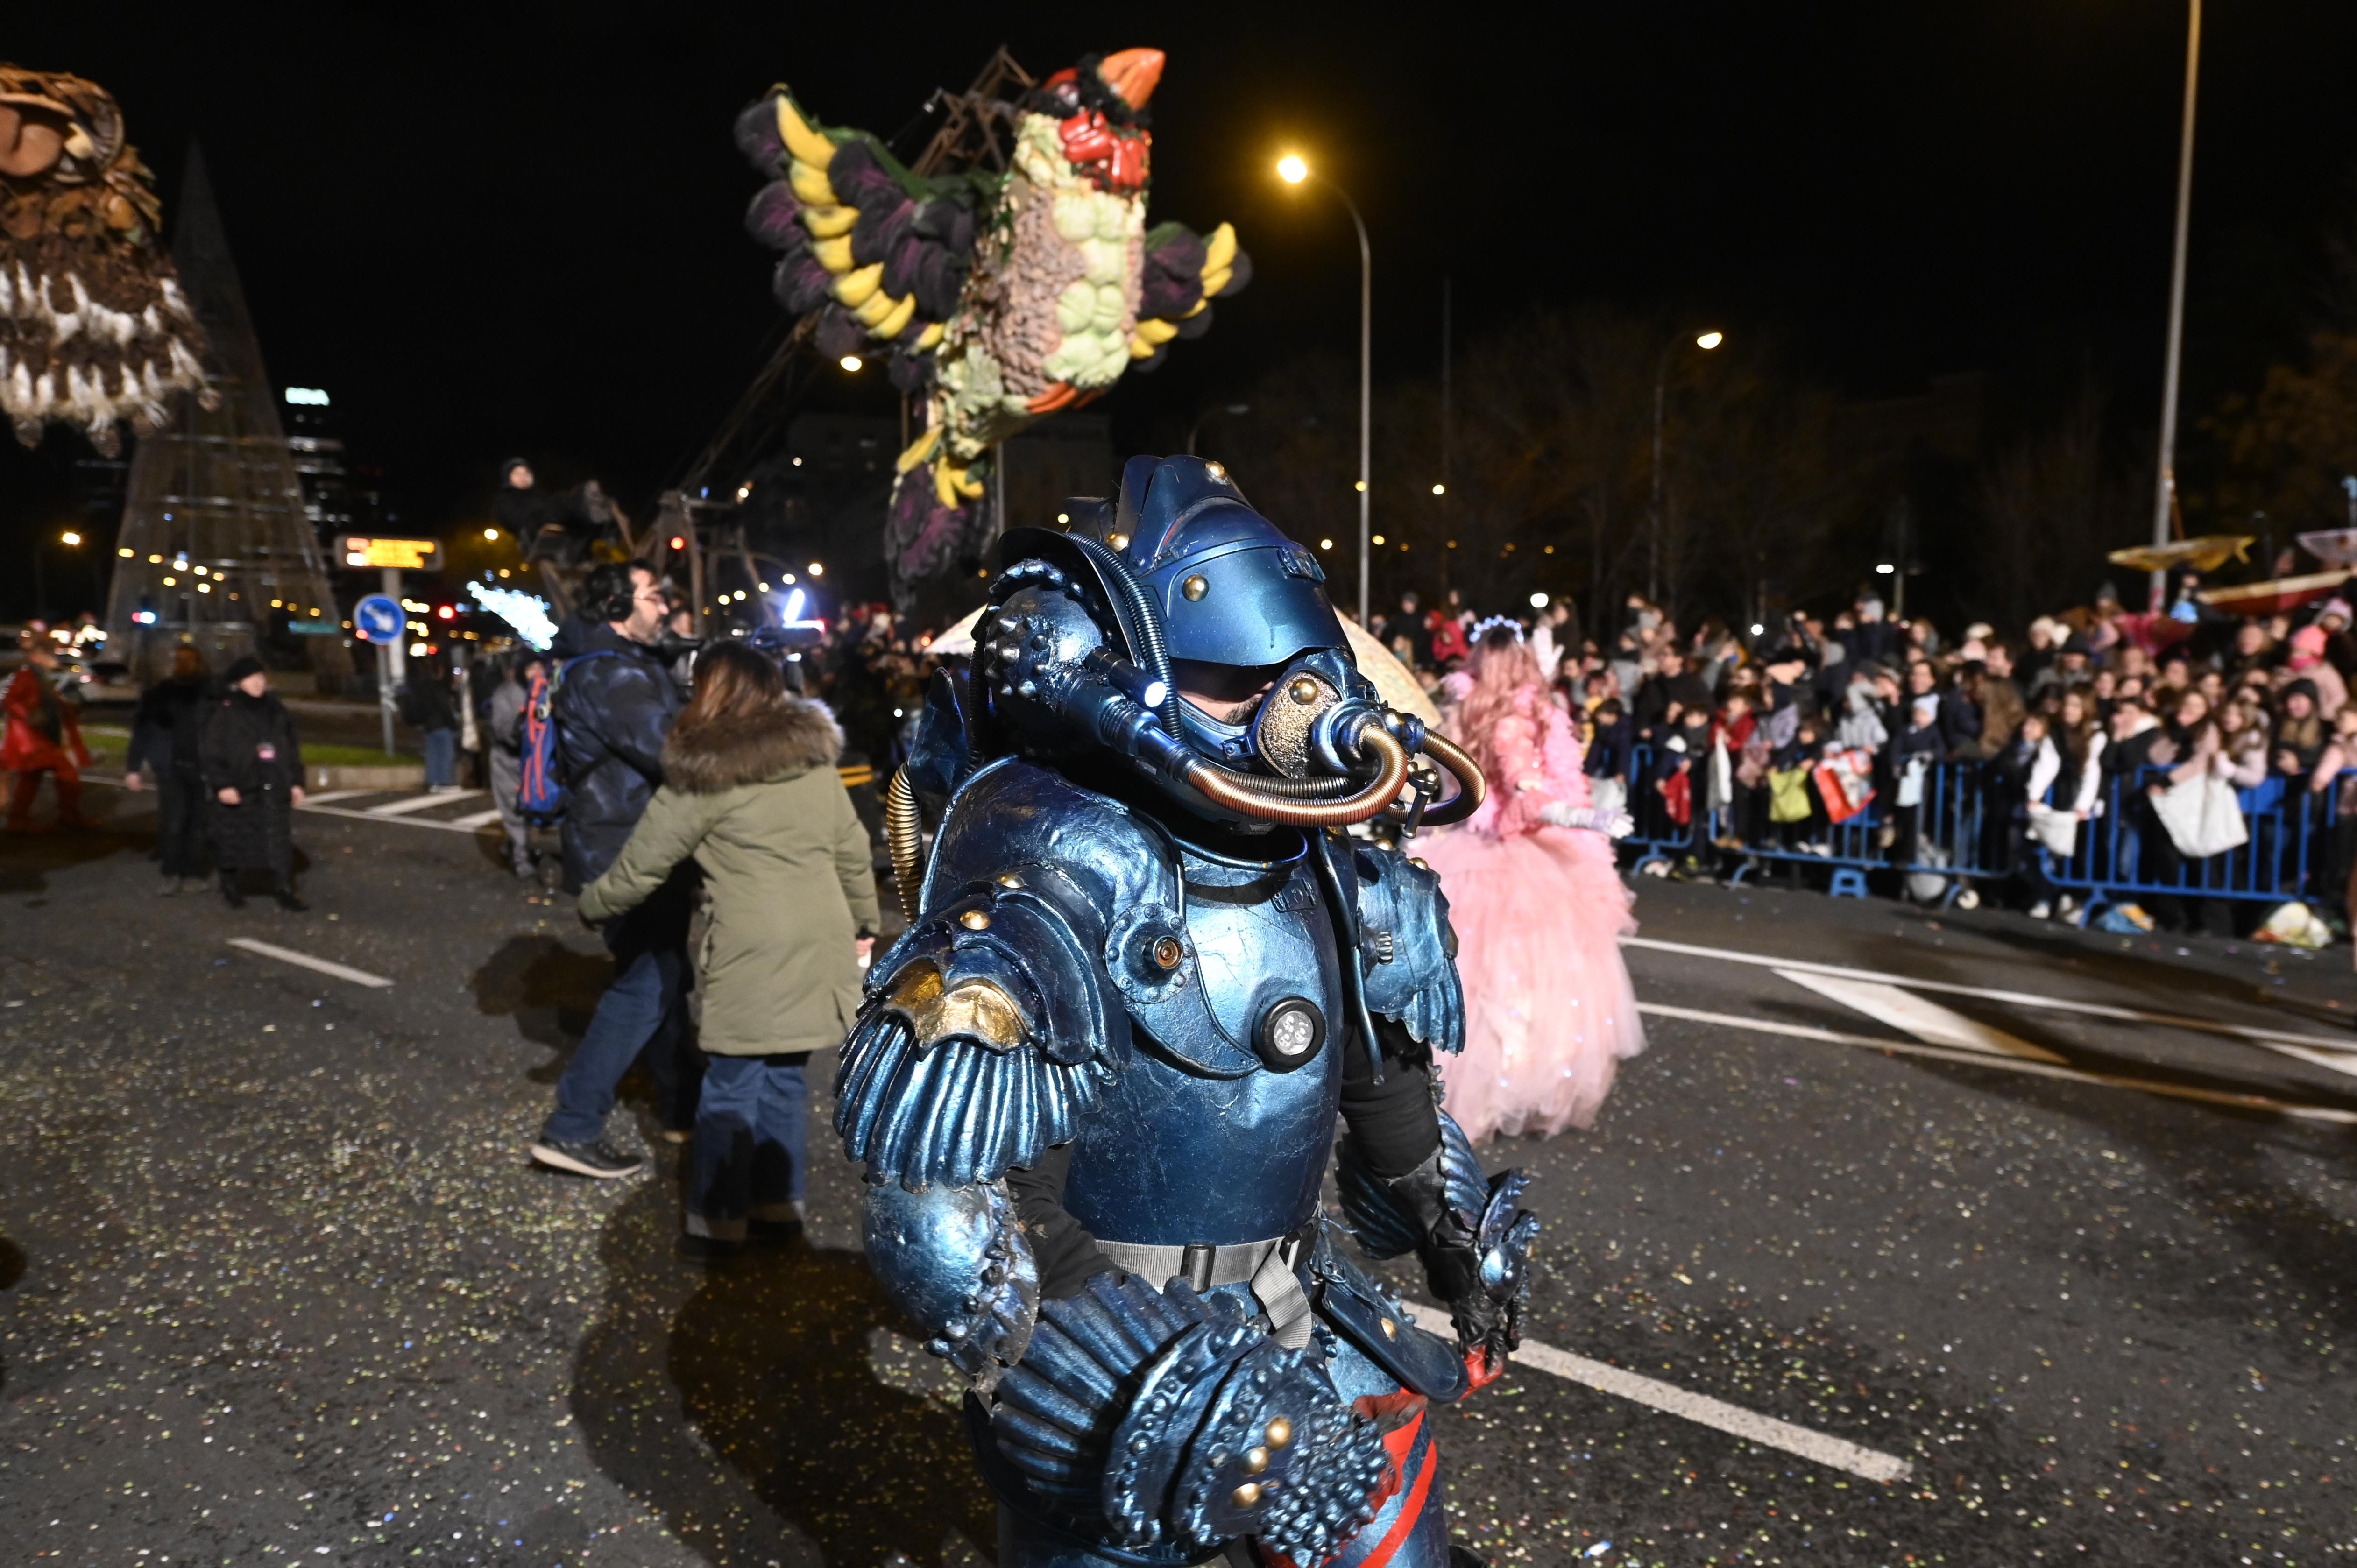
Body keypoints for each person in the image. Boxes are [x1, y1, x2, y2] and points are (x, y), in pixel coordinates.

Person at [835, 455, 1539, 1568]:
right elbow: (955, 1216)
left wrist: (1455, 1233)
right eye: (1234, 678)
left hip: (1294, 1317)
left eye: (1300, 673)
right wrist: (1182, 1393)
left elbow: (1381, 1087)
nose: (1287, 712)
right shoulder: (1047, 870)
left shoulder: (1332, 871)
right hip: (1112, 1372)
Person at [577, 643, 877, 1246]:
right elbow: (852, 850)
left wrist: (592, 905)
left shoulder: (703, 773)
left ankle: (717, 1224)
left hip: (753, 949)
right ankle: (778, 1210)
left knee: (729, 1088)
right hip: (820, 942)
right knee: (787, 1081)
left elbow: (641, 866)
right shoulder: (815, 762)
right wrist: (865, 923)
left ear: (707, 692)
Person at [1417, 621, 1644, 1141]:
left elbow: (1453, 789)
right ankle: (1504, 1089)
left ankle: (1481, 1083)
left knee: (1475, 977)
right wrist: (1591, 818)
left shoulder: (1471, 710)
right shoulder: (1511, 723)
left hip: (1472, 849)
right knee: (1519, 980)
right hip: (1512, 857)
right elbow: (1525, 795)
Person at [528, 561, 691, 1180]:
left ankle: (681, 1104)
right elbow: (672, 749)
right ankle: (571, 1126)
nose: (665, 606)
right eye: (654, 595)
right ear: (620, 606)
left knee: (667, 976)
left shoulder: (619, 665)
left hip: (636, 844)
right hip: (624, 851)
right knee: (648, 982)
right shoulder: (612, 673)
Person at [199, 657, 307, 909]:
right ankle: (231, 885)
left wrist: (296, 782)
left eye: (261, 678)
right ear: (240, 683)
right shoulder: (226, 711)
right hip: (241, 785)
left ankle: (285, 889)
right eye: (252, 679)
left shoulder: (276, 710)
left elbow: (291, 748)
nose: (259, 683)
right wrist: (222, 784)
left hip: (273, 784)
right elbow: (212, 751)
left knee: (278, 840)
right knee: (234, 838)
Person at [124, 644, 213, 891]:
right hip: (170, 768)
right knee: (173, 822)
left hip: (202, 768)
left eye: (190, 660)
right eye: (179, 660)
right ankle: (172, 872)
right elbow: (142, 731)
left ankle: (195, 872)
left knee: (198, 824)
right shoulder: (159, 695)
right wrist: (133, 767)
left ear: (199, 663)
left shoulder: (209, 694)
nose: (184, 665)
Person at [3, 637, 92, 832]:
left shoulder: (39, 676)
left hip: (40, 738)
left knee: (32, 778)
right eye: (51, 654)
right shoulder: (28, 676)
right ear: (39, 656)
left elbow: (48, 704)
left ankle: (19, 820)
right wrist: (30, 716)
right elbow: (11, 702)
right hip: (36, 739)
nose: (55, 658)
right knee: (66, 775)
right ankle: (67, 816)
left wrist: (67, 709)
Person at [484, 651, 542, 879]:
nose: (537, 673)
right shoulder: (508, 694)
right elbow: (505, 730)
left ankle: (518, 848)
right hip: (509, 760)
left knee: (534, 810)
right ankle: (522, 863)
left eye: (540, 667)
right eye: (532, 668)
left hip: (533, 761)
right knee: (515, 810)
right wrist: (524, 725)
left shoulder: (540, 691)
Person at [399, 664, 461, 792]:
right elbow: (445, 708)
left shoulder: (421, 688)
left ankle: (433, 782)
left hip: (428, 727)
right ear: (440, 672)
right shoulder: (438, 688)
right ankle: (444, 783)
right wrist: (453, 725)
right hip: (442, 726)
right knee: (446, 755)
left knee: (432, 755)